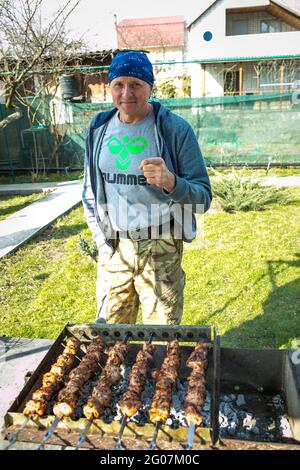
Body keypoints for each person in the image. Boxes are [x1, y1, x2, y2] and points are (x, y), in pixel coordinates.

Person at [82, 51, 212, 325]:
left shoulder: (175, 130)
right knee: (111, 335)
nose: (126, 93)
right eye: (119, 84)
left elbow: (203, 198)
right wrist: (101, 241)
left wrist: (171, 182)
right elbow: (90, 192)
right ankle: (120, 371)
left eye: (136, 84)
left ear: (150, 87)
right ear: (110, 87)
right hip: (115, 246)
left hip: (161, 245)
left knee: (162, 338)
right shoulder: (99, 129)